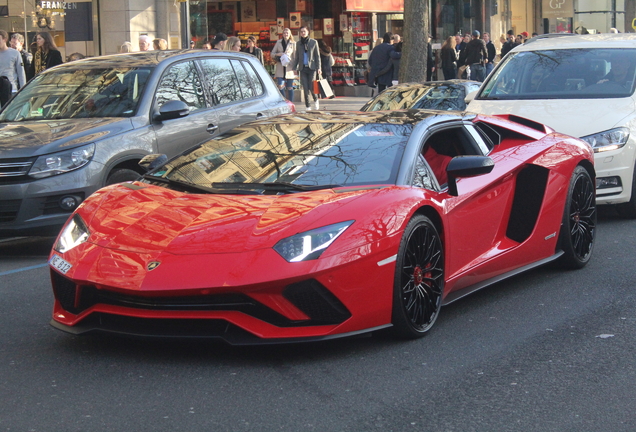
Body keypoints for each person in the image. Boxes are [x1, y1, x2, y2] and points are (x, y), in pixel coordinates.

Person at [294, 26, 321, 111]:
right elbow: (297, 56)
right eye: (301, 32)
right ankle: (308, 106)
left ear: (308, 32)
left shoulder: (313, 42)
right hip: (303, 68)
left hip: (312, 68)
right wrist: (294, 67)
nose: (303, 33)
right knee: (305, 88)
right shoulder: (298, 43)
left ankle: (316, 100)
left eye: (304, 31)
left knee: (312, 87)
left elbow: (317, 56)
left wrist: (319, 68)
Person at [0, 30, 26, 104]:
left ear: (5, 39)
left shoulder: (15, 53)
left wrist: (23, 90)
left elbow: (21, 73)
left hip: (11, 90)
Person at [271, 27, 296, 101]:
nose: (286, 34)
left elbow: (295, 56)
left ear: (290, 34)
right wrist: (278, 54)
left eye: (287, 33)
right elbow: (272, 53)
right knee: (280, 86)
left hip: (289, 67)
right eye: (284, 33)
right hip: (280, 66)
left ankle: (290, 103)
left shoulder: (293, 43)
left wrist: (294, 65)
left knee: (290, 87)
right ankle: (284, 101)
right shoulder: (278, 42)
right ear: (282, 34)